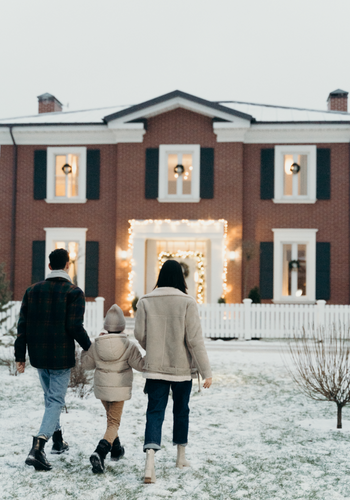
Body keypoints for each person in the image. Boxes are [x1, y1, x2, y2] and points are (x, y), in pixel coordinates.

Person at [134, 259, 212, 484]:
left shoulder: (146, 300)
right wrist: (207, 371)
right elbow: (194, 340)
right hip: (181, 369)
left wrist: (154, 347)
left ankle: (150, 463)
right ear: (181, 277)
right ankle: (180, 458)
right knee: (181, 411)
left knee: (154, 412)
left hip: (155, 368)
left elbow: (139, 334)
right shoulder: (187, 302)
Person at [14, 248, 91, 471]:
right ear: (68, 265)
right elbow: (74, 327)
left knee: (50, 398)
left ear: (49, 266)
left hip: (38, 355)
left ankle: (58, 441)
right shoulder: (74, 292)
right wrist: (89, 347)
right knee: (56, 400)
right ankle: (38, 447)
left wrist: (21, 356)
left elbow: (22, 327)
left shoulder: (32, 291)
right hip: (60, 356)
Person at [81, 304, 145, 474]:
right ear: (122, 326)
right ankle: (100, 452)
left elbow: (86, 365)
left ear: (106, 325)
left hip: (103, 389)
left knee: (111, 421)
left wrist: (85, 349)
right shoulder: (129, 346)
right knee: (114, 423)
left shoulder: (97, 344)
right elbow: (141, 365)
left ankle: (116, 449)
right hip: (119, 389)